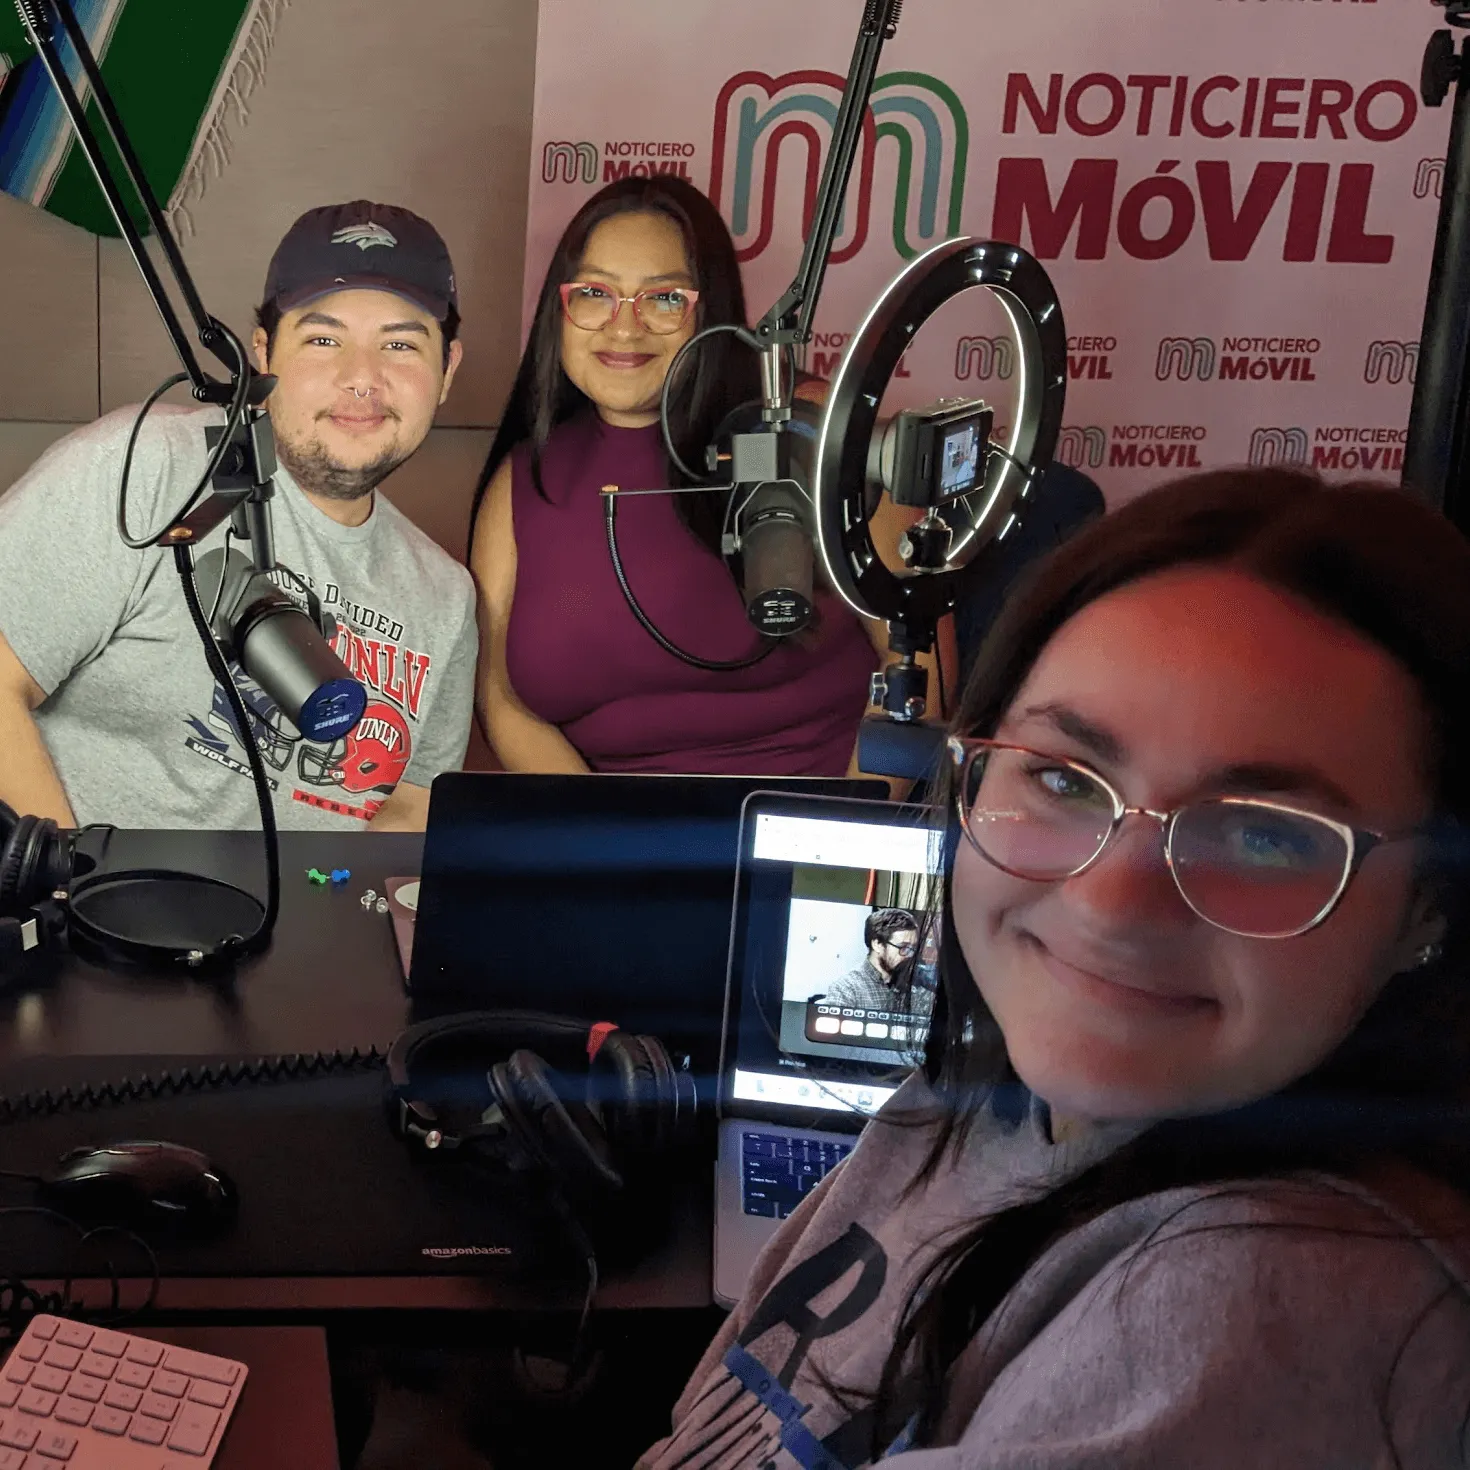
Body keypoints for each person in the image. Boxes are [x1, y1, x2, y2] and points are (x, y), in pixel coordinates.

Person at [641, 466, 1470, 1469]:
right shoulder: (982, 1098)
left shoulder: (1258, 1304)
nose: (1106, 902)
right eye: (1062, 778)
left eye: (1261, 836)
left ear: (1426, 907)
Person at [0, 200, 477, 831]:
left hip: (309, 925)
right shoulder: (145, 469)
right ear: (263, 353)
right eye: (324, 339)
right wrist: (68, 891)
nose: (362, 378)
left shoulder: (445, 596)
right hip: (88, 912)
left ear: (447, 371)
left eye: (399, 344)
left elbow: (407, 810)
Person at [469, 175, 900, 779]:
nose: (624, 328)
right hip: (614, 849)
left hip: (817, 837)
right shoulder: (522, 482)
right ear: (560, 310)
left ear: (711, 311)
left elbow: (918, 668)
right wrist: (600, 849)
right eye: (595, 293)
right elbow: (502, 700)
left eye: (665, 298)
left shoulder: (804, 430)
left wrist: (841, 852)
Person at [826, 907, 920, 1011]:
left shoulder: (913, 990)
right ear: (877, 945)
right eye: (903, 947)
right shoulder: (846, 989)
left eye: (913, 948)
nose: (910, 955)